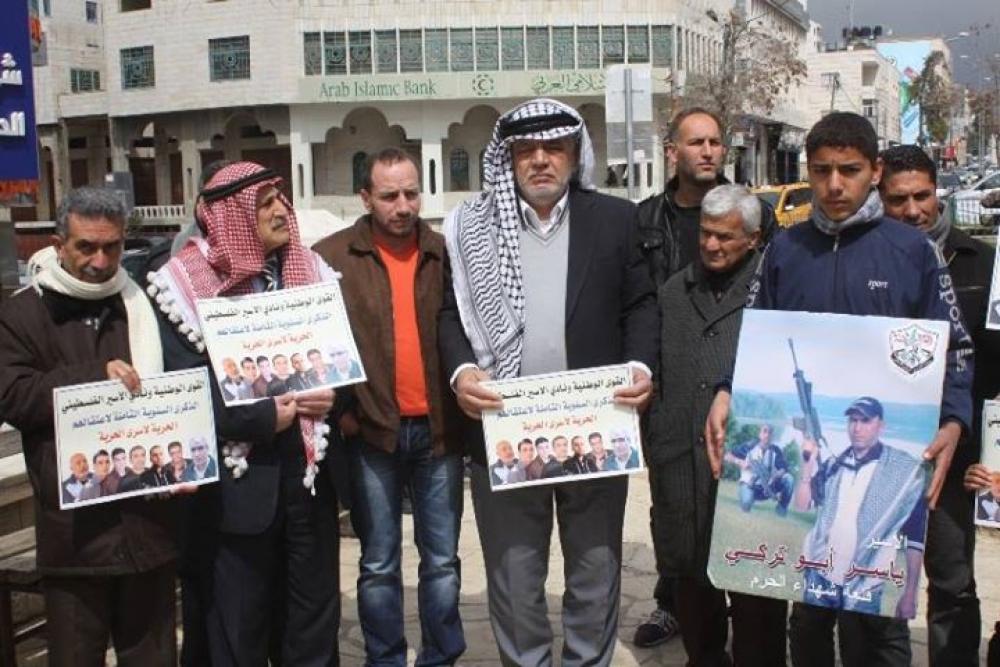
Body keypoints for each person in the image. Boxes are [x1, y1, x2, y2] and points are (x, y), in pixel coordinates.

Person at [705, 112, 973, 667]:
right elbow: (756, 337)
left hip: (884, 470)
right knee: (808, 614)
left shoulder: (912, 252)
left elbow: (956, 351)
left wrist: (953, 421)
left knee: (877, 622)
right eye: (821, 170)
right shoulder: (785, 250)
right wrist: (729, 391)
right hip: (821, 473)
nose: (833, 185)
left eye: (848, 170)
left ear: (875, 170)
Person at [440, 97, 657, 665]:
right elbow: (449, 313)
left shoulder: (616, 219)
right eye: (526, 150)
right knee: (514, 576)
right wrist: (462, 372)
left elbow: (640, 303)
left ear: (574, 154)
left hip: (594, 427)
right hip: (503, 430)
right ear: (507, 158)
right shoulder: (471, 228)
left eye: (554, 148)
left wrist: (640, 366)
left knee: (595, 570)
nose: (540, 160)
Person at [148, 161, 342, 665]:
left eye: (281, 199)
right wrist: (261, 418)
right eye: (265, 204)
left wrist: (334, 394)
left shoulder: (310, 271)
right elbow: (183, 392)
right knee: (237, 634)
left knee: (312, 629)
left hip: (307, 486)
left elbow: (343, 359)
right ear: (229, 216)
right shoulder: (180, 287)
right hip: (234, 499)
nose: (281, 211)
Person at [0, 186, 177, 665]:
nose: (100, 261)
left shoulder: (142, 305)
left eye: (112, 247)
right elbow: (13, 397)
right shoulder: (23, 312)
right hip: (75, 537)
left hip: (147, 528)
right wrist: (94, 379)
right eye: (86, 247)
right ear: (59, 245)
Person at [314, 146, 466, 666]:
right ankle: (385, 658)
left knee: (442, 560)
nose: (402, 206)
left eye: (410, 193)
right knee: (378, 562)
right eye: (389, 196)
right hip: (371, 433)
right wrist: (342, 412)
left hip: (440, 431)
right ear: (365, 197)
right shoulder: (331, 258)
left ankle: (440, 656)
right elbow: (316, 343)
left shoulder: (445, 254)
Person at [633, 107, 777, 649]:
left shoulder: (772, 292)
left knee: (755, 600)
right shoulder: (672, 292)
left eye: (726, 238)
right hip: (679, 461)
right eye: (707, 236)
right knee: (690, 580)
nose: (713, 246)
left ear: (754, 239)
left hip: (748, 472)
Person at [879, 145, 999, 666]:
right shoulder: (868, 262)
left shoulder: (983, 263)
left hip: (957, 455)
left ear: (938, 193)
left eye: (922, 196)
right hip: (887, 448)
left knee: (952, 581)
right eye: (898, 200)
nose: (913, 211)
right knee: (880, 579)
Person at [797, 397, 927, 618]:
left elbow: (915, 536)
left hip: (866, 586)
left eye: (865, 421)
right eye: (853, 421)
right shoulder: (834, 466)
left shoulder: (901, 473)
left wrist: (910, 593)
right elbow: (802, 506)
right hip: (819, 578)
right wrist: (807, 466)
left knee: (858, 641)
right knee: (809, 637)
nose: (857, 428)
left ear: (880, 426)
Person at [726, 424, 793, 515]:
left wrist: (775, 476)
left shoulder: (776, 450)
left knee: (789, 479)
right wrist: (740, 462)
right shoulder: (749, 446)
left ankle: (781, 509)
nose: (767, 435)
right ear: (760, 434)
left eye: (770, 433)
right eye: (765, 431)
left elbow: (783, 468)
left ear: (772, 436)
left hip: (768, 486)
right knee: (746, 504)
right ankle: (748, 497)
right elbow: (727, 456)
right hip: (749, 485)